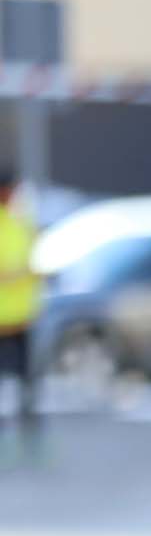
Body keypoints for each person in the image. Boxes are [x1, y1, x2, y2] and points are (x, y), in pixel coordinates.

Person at [0, 175, 41, 463]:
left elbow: (32, 260)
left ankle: (30, 436)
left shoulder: (22, 223)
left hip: (23, 317)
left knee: (26, 380)